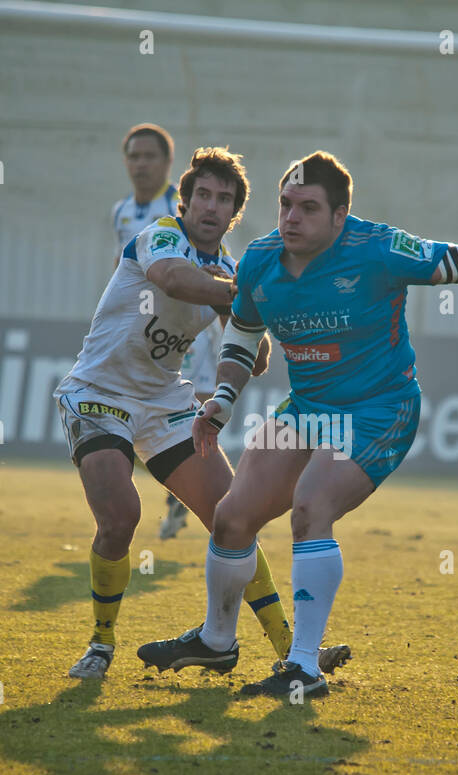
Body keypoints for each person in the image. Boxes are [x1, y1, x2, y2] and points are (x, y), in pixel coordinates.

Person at [140, 151, 458, 697]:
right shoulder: (262, 261)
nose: (291, 218)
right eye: (286, 205)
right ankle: (218, 642)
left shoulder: (378, 248)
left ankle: (304, 668)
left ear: (340, 217)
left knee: (312, 507)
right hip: (307, 409)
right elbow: (242, 331)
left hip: (379, 409)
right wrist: (222, 396)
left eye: (308, 208)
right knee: (231, 517)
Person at [54, 147, 302, 681]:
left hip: (165, 402)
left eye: (225, 199)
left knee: (232, 520)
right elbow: (171, 279)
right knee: (121, 517)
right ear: (185, 202)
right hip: (99, 391)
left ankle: (292, 650)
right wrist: (240, 297)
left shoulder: (231, 269)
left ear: (234, 213)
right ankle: (100, 644)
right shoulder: (161, 235)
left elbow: (257, 359)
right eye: (204, 196)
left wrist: (235, 304)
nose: (212, 207)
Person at [105, 122, 215, 540]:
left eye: (150, 156)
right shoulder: (121, 212)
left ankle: (187, 500)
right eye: (134, 156)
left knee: (192, 411)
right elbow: (120, 266)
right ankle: (162, 495)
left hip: (183, 328)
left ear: (168, 163)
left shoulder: (181, 208)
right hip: (134, 330)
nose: (141, 164)